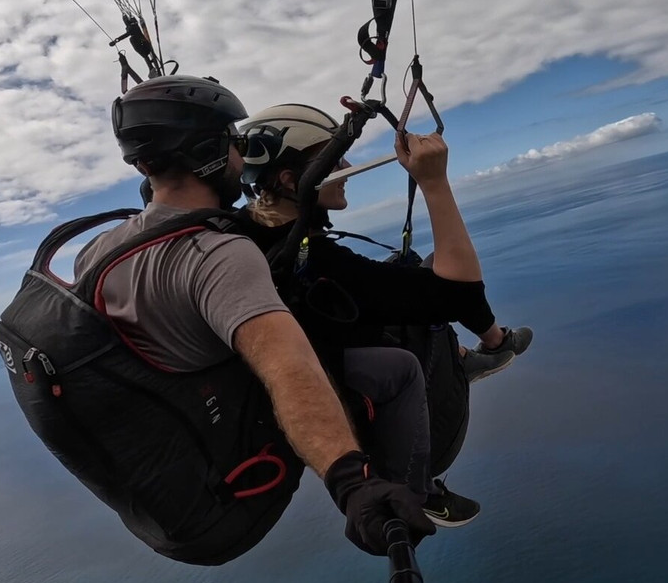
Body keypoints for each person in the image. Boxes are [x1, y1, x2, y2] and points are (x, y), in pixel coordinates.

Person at [68, 75, 436, 558]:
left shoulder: (97, 251)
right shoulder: (220, 255)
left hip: (163, 465)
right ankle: (423, 491)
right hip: (231, 448)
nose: (243, 158)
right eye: (235, 142)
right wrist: (352, 482)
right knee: (398, 367)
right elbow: (288, 370)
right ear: (213, 155)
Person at [232, 104, 533, 518]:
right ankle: (418, 489)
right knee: (407, 353)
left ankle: (483, 347)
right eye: (335, 159)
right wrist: (434, 183)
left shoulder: (247, 229)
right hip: (328, 372)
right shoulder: (318, 262)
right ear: (290, 180)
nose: (349, 165)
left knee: (422, 268)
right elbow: (459, 292)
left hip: (315, 340)